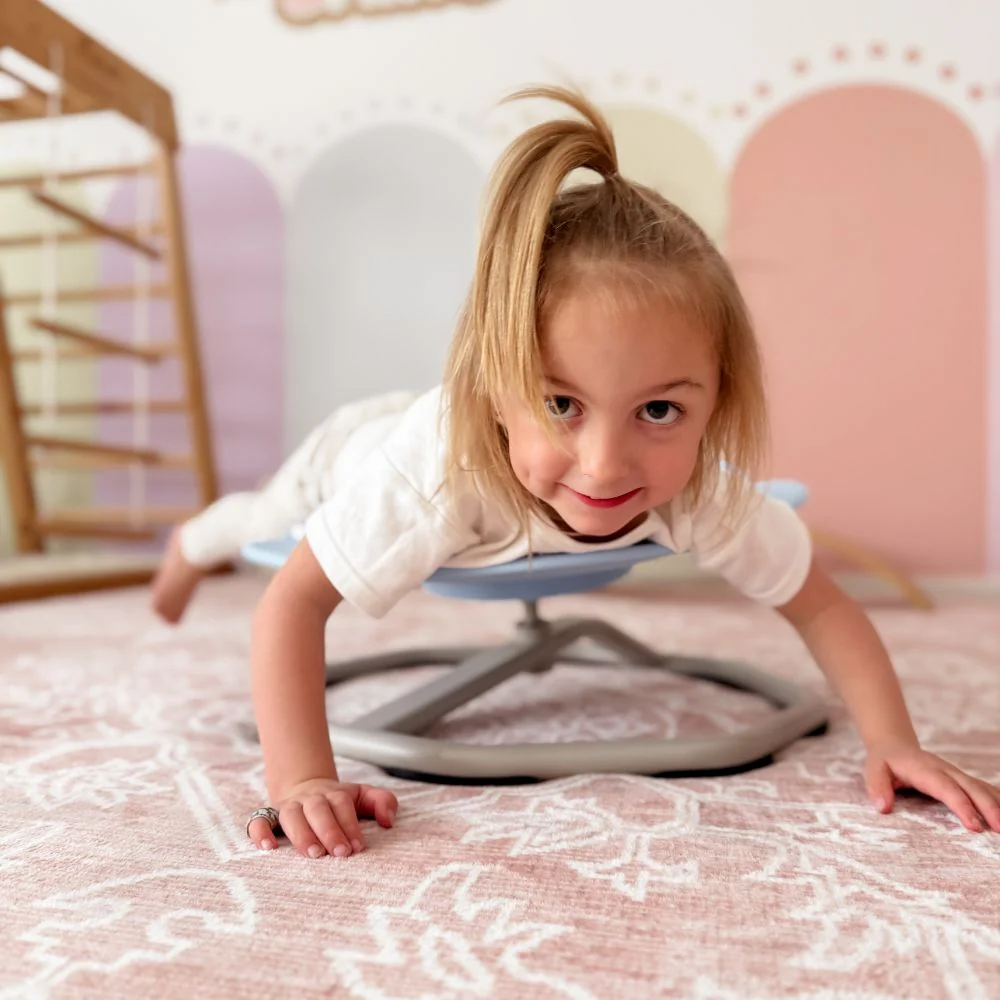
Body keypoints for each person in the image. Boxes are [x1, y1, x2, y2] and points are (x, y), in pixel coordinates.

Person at [152, 86, 1000, 858]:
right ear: (495, 391)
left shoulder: (702, 483)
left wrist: (895, 742)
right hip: (356, 449)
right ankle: (191, 541)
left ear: (715, 403)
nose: (605, 464)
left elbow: (824, 605)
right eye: (562, 404)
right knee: (268, 513)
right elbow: (293, 604)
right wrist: (300, 778)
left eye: (659, 411)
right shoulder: (430, 475)